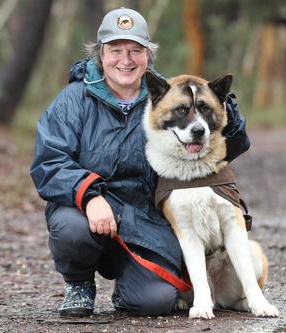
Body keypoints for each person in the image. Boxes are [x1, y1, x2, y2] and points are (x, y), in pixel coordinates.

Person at [30, 8, 250, 317]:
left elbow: (230, 144)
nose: (126, 60)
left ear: (148, 56)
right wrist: (90, 196)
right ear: (100, 54)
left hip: (143, 221)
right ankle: (79, 284)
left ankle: (128, 288)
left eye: (136, 51)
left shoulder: (168, 98)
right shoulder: (73, 100)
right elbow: (48, 163)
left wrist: (225, 107)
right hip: (87, 214)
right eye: (115, 50)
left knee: (157, 301)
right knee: (71, 228)